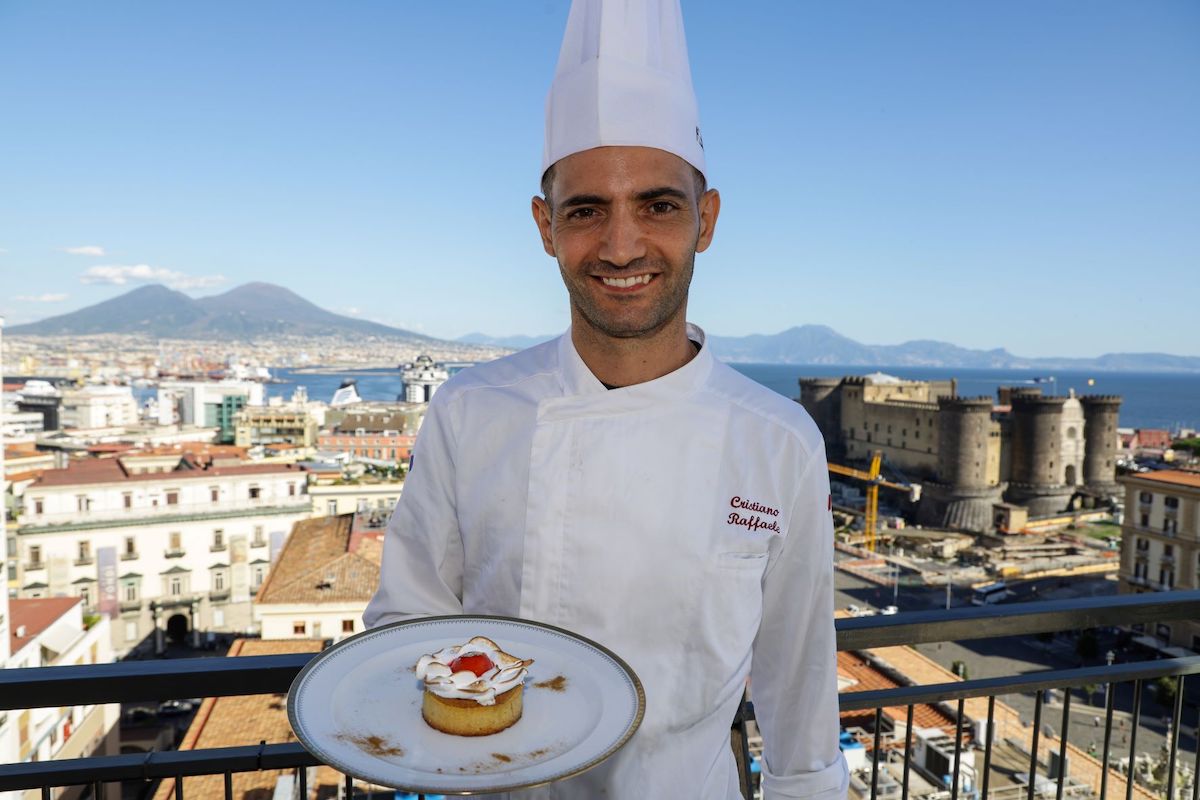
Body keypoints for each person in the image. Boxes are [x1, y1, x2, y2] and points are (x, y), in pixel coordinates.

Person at [364, 2, 848, 798]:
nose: (622, 246)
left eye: (658, 205)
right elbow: (407, 631)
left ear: (708, 220)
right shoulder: (470, 410)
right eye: (586, 210)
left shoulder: (777, 440)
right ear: (545, 227)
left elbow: (798, 678)